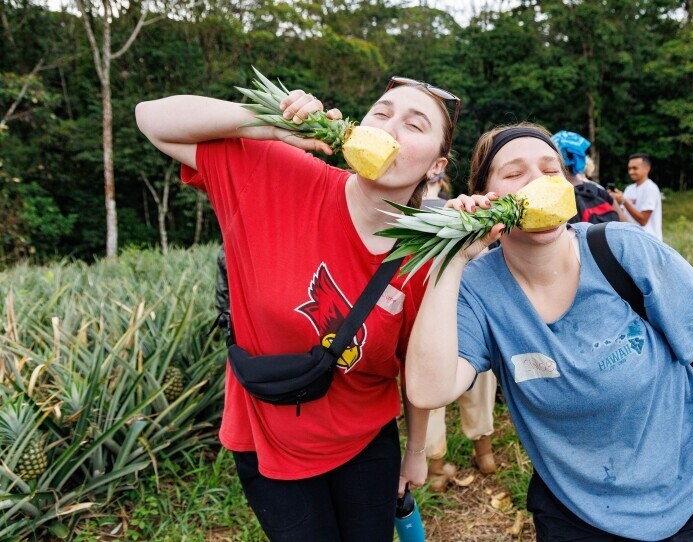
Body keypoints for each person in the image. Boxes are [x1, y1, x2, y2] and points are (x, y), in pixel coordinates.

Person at [135, 75, 461, 541]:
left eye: (415, 125)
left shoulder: (421, 258)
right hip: (268, 437)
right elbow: (151, 117)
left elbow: (414, 367)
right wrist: (269, 125)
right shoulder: (278, 174)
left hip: (367, 441)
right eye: (381, 114)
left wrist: (415, 451)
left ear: (436, 166)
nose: (389, 129)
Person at [406, 123, 693, 541]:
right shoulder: (478, 289)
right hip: (578, 508)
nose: (538, 183)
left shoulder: (623, 249)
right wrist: (450, 259)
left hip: (691, 479)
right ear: (484, 196)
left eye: (550, 169)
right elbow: (429, 391)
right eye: (514, 173)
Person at [420, 170, 499, 491]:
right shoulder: (467, 213)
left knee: (431, 397)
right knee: (480, 385)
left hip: (428, 320)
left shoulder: (408, 216)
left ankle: (437, 468)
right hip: (471, 316)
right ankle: (485, 453)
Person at [610, 153, 663, 241]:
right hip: (633, 239)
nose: (631, 172)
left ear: (647, 169)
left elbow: (643, 220)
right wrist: (615, 202)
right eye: (629, 168)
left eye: (635, 168)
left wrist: (624, 201)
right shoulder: (629, 189)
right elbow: (623, 216)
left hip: (649, 241)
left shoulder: (650, 188)